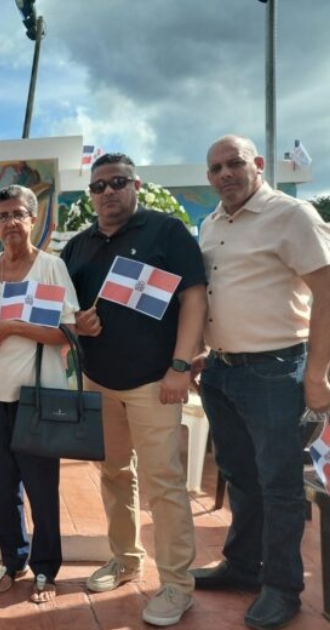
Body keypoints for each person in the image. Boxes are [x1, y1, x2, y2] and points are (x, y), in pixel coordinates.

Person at [190, 135, 330, 630]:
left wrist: (317, 374)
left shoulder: (292, 215)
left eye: (234, 163)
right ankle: (244, 565)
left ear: (259, 164)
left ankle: (283, 587)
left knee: (279, 484)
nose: (225, 174)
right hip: (220, 371)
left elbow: (327, 292)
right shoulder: (211, 223)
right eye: (215, 168)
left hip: (275, 371)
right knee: (239, 476)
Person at [62, 153, 207, 627]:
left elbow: (194, 298)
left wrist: (180, 366)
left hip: (154, 383)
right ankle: (126, 560)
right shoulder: (78, 246)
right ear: (91, 194)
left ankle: (177, 584)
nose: (108, 192)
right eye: (98, 186)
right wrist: (78, 323)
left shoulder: (167, 232)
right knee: (114, 475)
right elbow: (66, 310)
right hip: (99, 381)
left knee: (164, 482)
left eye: (117, 182)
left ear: (136, 185)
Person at [0, 185, 79, 603]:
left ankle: (46, 568)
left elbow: (68, 332)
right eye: (3, 216)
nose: (11, 223)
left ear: (34, 220)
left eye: (19, 214)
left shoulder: (51, 267)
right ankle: (12, 558)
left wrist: (13, 327)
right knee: (0, 486)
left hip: (37, 395)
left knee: (40, 485)